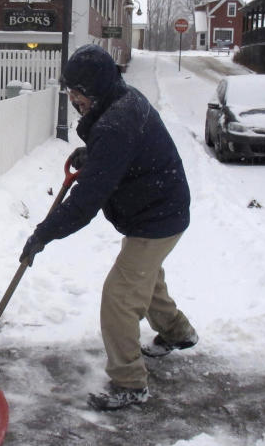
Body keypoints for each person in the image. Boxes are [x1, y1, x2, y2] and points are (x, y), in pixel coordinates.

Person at [20, 44, 197, 411]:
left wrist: (43, 233)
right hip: (159, 207)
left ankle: (129, 383)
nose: (74, 100)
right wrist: (96, 155)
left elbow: (86, 202)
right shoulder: (121, 101)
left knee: (120, 296)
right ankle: (178, 333)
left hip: (157, 216)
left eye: (78, 92)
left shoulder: (117, 122)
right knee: (146, 279)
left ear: (97, 89)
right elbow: (122, 150)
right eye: (70, 92)